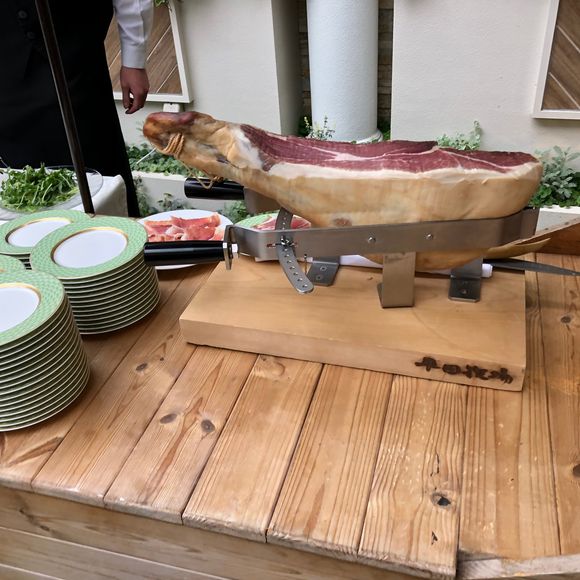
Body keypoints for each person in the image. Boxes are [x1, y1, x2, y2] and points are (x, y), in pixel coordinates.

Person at [0, 0, 154, 217]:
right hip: (6, 78)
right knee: (16, 193)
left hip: (75, 64)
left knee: (98, 178)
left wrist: (134, 60)